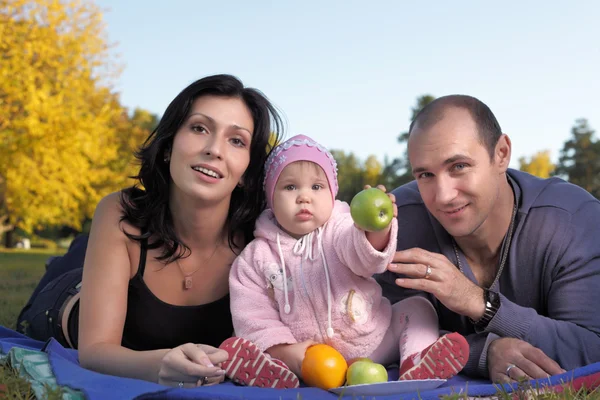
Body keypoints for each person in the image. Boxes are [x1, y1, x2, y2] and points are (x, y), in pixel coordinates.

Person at [16, 74, 284, 388]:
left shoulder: (263, 242)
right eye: (199, 128)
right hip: (65, 301)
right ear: (169, 145)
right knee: (76, 264)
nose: (214, 149)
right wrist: (159, 366)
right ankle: (77, 256)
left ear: (247, 174)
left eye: (236, 140)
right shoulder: (120, 212)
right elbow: (94, 353)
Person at [376, 95, 600, 383]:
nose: (443, 195)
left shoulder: (572, 219)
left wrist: (478, 302)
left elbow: (592, 347)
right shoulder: (398, 224)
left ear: (502, 154)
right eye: (426, 174)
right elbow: (374, 333)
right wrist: (481, 354)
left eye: (458, 166)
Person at [219, 134, 469, 389]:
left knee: (418, 307)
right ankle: (279, 368)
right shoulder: (255, 258)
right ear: (271, 198)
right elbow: (253, 314)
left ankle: (415, 360)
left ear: (332, 194)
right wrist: (285, 349)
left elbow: (362, 256)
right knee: (259, 338)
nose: (304, 197)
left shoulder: (341, 229)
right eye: (290, 187)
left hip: (373, 341)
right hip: (308, 356)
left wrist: (374, 230)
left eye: (316, 187)